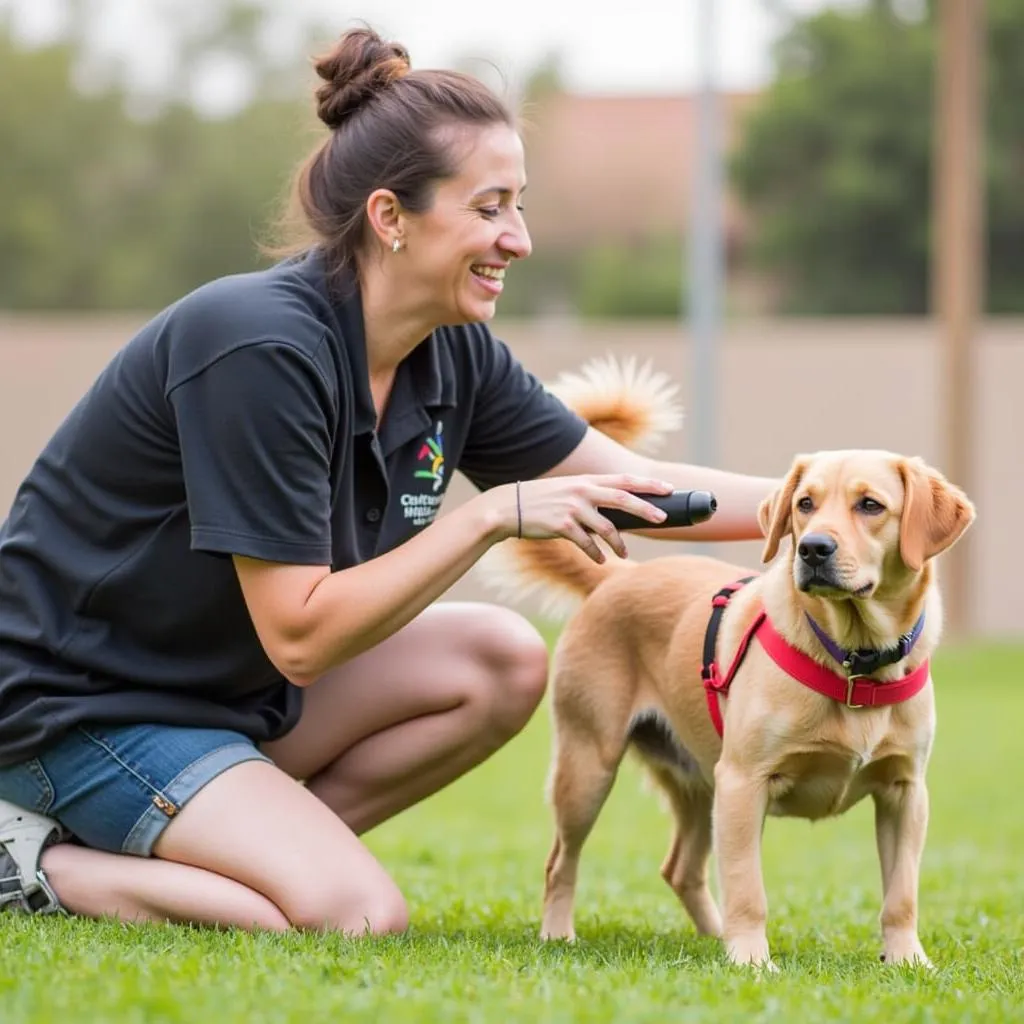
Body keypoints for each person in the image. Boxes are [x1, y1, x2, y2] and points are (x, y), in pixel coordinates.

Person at [0, 26, 777, 934]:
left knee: (500, 659)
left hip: (221, 697)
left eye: (519, 206)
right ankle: (33, 864)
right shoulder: (257, 345)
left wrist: (824, 502)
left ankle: (256, 857)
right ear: (390, 217)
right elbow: (298, 633)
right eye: (490, 208)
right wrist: (487, 517)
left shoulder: (452, 356)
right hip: (79, 708)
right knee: (358, 916)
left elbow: (637, 484)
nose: (517, 239)